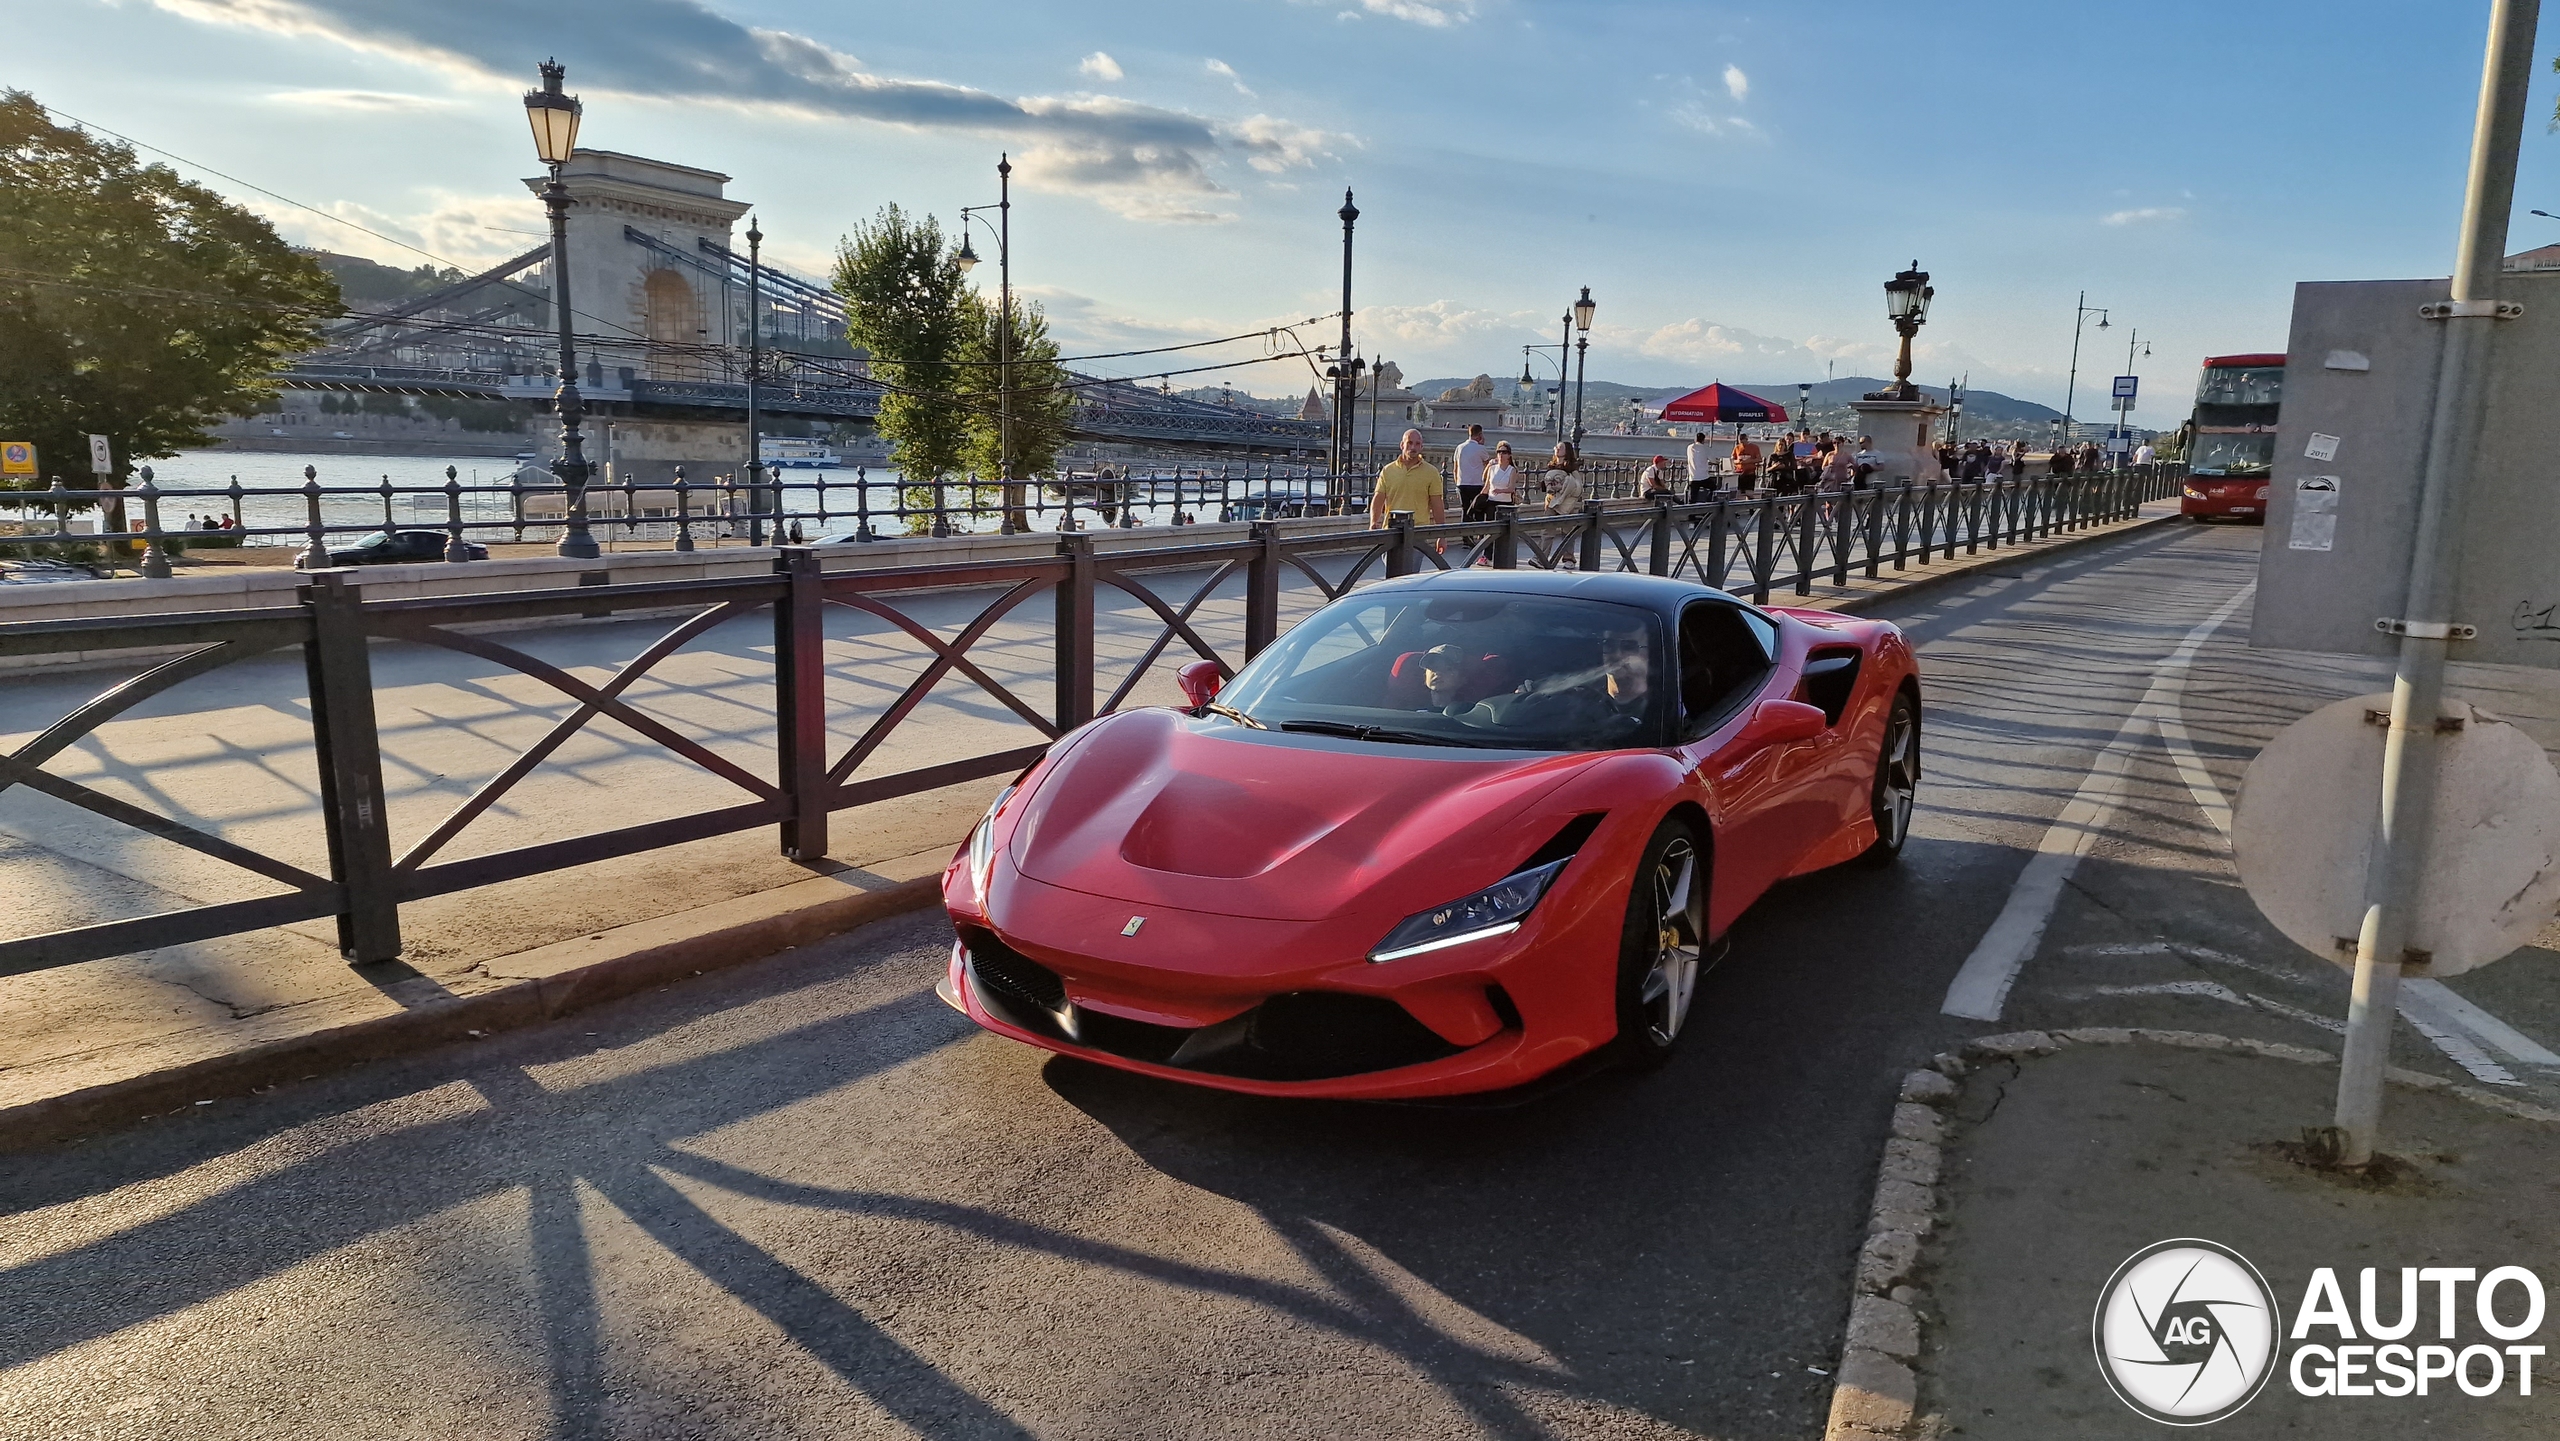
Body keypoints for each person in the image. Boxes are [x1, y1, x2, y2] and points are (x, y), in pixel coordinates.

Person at [1369, 428, 1445, 529]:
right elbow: (1378, 499)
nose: (1413, 447)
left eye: (1417, 444)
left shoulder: (1431, 472)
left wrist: (1441, 535)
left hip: (1418, 530)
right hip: (1391, 529)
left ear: (1421, 447)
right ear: (1402, 445)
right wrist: (1373, 522)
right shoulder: (1388, 471)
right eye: (1409, 443)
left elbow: (1437, 504)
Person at [1452, 424, 1491, 521]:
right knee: (1478, 510)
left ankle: (1465, 534)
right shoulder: (1481, 449)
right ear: (1480, 435)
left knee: (1465, 510)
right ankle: (1479, 534)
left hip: (1462, 484)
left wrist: (1457, 484)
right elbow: (1489, 466)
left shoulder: (1459, 448)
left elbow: (1455, 469)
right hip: (1477, 484)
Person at [1542, 441, 1584, 515]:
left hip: (1564, 502)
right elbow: (1545, 486)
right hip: (1550, 500)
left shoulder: (1571, 468)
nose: (1557, 449)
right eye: (1556, 447)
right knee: (1548, 521)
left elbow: (1578, 486)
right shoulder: (1552, 466)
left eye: (1560, 448)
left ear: (1567, 451)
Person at [1480, 442, 1517, 517]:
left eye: (1504, 452)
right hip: (1492, 502)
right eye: (1499, 452)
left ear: (1509, 455)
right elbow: (1487, 487)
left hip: (1505, 504)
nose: (1501, 454)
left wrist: (1500, 491)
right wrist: (1479, 497)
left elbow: (1511, 488)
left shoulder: (1512, 470)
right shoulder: (1492, 468)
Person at [1685, 431, 1715, 497]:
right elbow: (1713, 460)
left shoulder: (1689, 447)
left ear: (1695, 439)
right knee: (1713, 487)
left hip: (1693, 476)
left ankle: (1690, 505)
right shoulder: (1705, 448)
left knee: (1693, 497)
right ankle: (1709, 500)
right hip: (1703, 476)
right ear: (1703, 440)